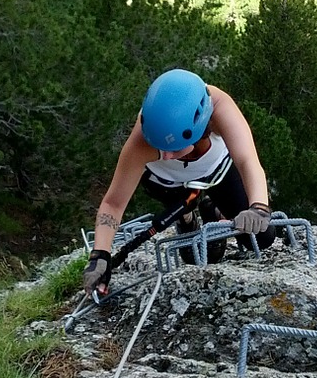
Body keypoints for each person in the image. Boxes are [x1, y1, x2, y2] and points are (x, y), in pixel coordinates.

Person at [83, 68, 276, 298]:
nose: (164, 155)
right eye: (159, 148)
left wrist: (258, 208)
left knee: (262, 238)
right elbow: (114, 203)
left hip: (216, 170)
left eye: (173, 149)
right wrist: (100, 256)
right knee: (194, 257)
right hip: (166, 183)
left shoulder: (221, 109)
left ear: (201, 128)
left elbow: (248, 162)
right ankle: (187, 216)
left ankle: (212, 210)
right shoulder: (141, 142)